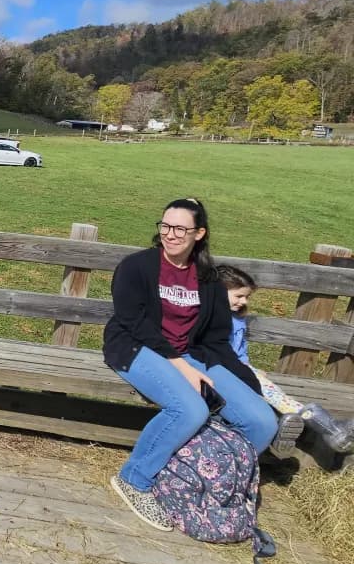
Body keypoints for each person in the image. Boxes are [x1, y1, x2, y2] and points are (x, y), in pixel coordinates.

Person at [103, 198, 277, 531]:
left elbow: (216, 338)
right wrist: (181, 366)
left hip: (193, 353)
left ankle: (201, 476)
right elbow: (132, 322)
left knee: (261, 421)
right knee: (191, 409)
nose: (170, 234)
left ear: (199, 233)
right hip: (136, 347)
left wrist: (248, 382)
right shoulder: (136, 267)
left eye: (180, 228)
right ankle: (134, 478)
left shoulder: (208, 279)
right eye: (165, 226)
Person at [215, 264, 353, 456]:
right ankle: (332, 429)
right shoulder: (214, 319)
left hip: (240, 369)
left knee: (273, 395)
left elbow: (240, 348)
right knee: (272, 396)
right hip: (224, 372)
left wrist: (247, 364)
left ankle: (292, 426)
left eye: (247, 297)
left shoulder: (237, 319)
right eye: (239, 296)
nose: (244, 301)